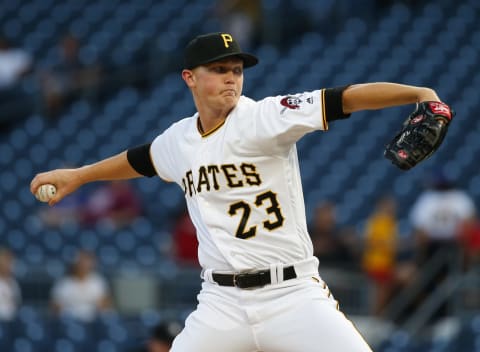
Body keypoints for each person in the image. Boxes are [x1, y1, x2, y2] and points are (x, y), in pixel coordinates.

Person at [31, 32, 450, 351]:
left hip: (292, 294)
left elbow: (343, 99)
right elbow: (141, 160)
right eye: (219, 69)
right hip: (220, 302)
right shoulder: (178, 140)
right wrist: (80, 176)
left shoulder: (264, 117)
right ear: (190, 78)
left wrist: (419, 94)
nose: (231, 77)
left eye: (236, 69)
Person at [50, 250, 112, 322]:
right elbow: (55, 306)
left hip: (93, 319)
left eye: (86, 263)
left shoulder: (98, 281)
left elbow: (105, 303)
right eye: (81, 262)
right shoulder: (64, 283)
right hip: (69, 320)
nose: (83, 266)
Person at [361, 195, 398, 316]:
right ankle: (375, 316)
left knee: (383, 292)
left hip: (386, 262)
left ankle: (379, 315)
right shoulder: (375, 222)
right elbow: (369, 240)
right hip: (376, 262)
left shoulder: (390, 222)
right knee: (376, 293)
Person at [309, 200, 357, 269]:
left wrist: (352, 247)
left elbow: (351, 266)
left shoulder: (340, 240)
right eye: (323, 215)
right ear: (316, 217)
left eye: (329, 216)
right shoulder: (307, 238)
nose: (326, 219)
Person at [0, 248, 21, 321]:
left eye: (10, 262)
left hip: (11, 321)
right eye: (6, 261)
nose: (10, 265)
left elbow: (17, 304)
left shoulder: (13, 283)